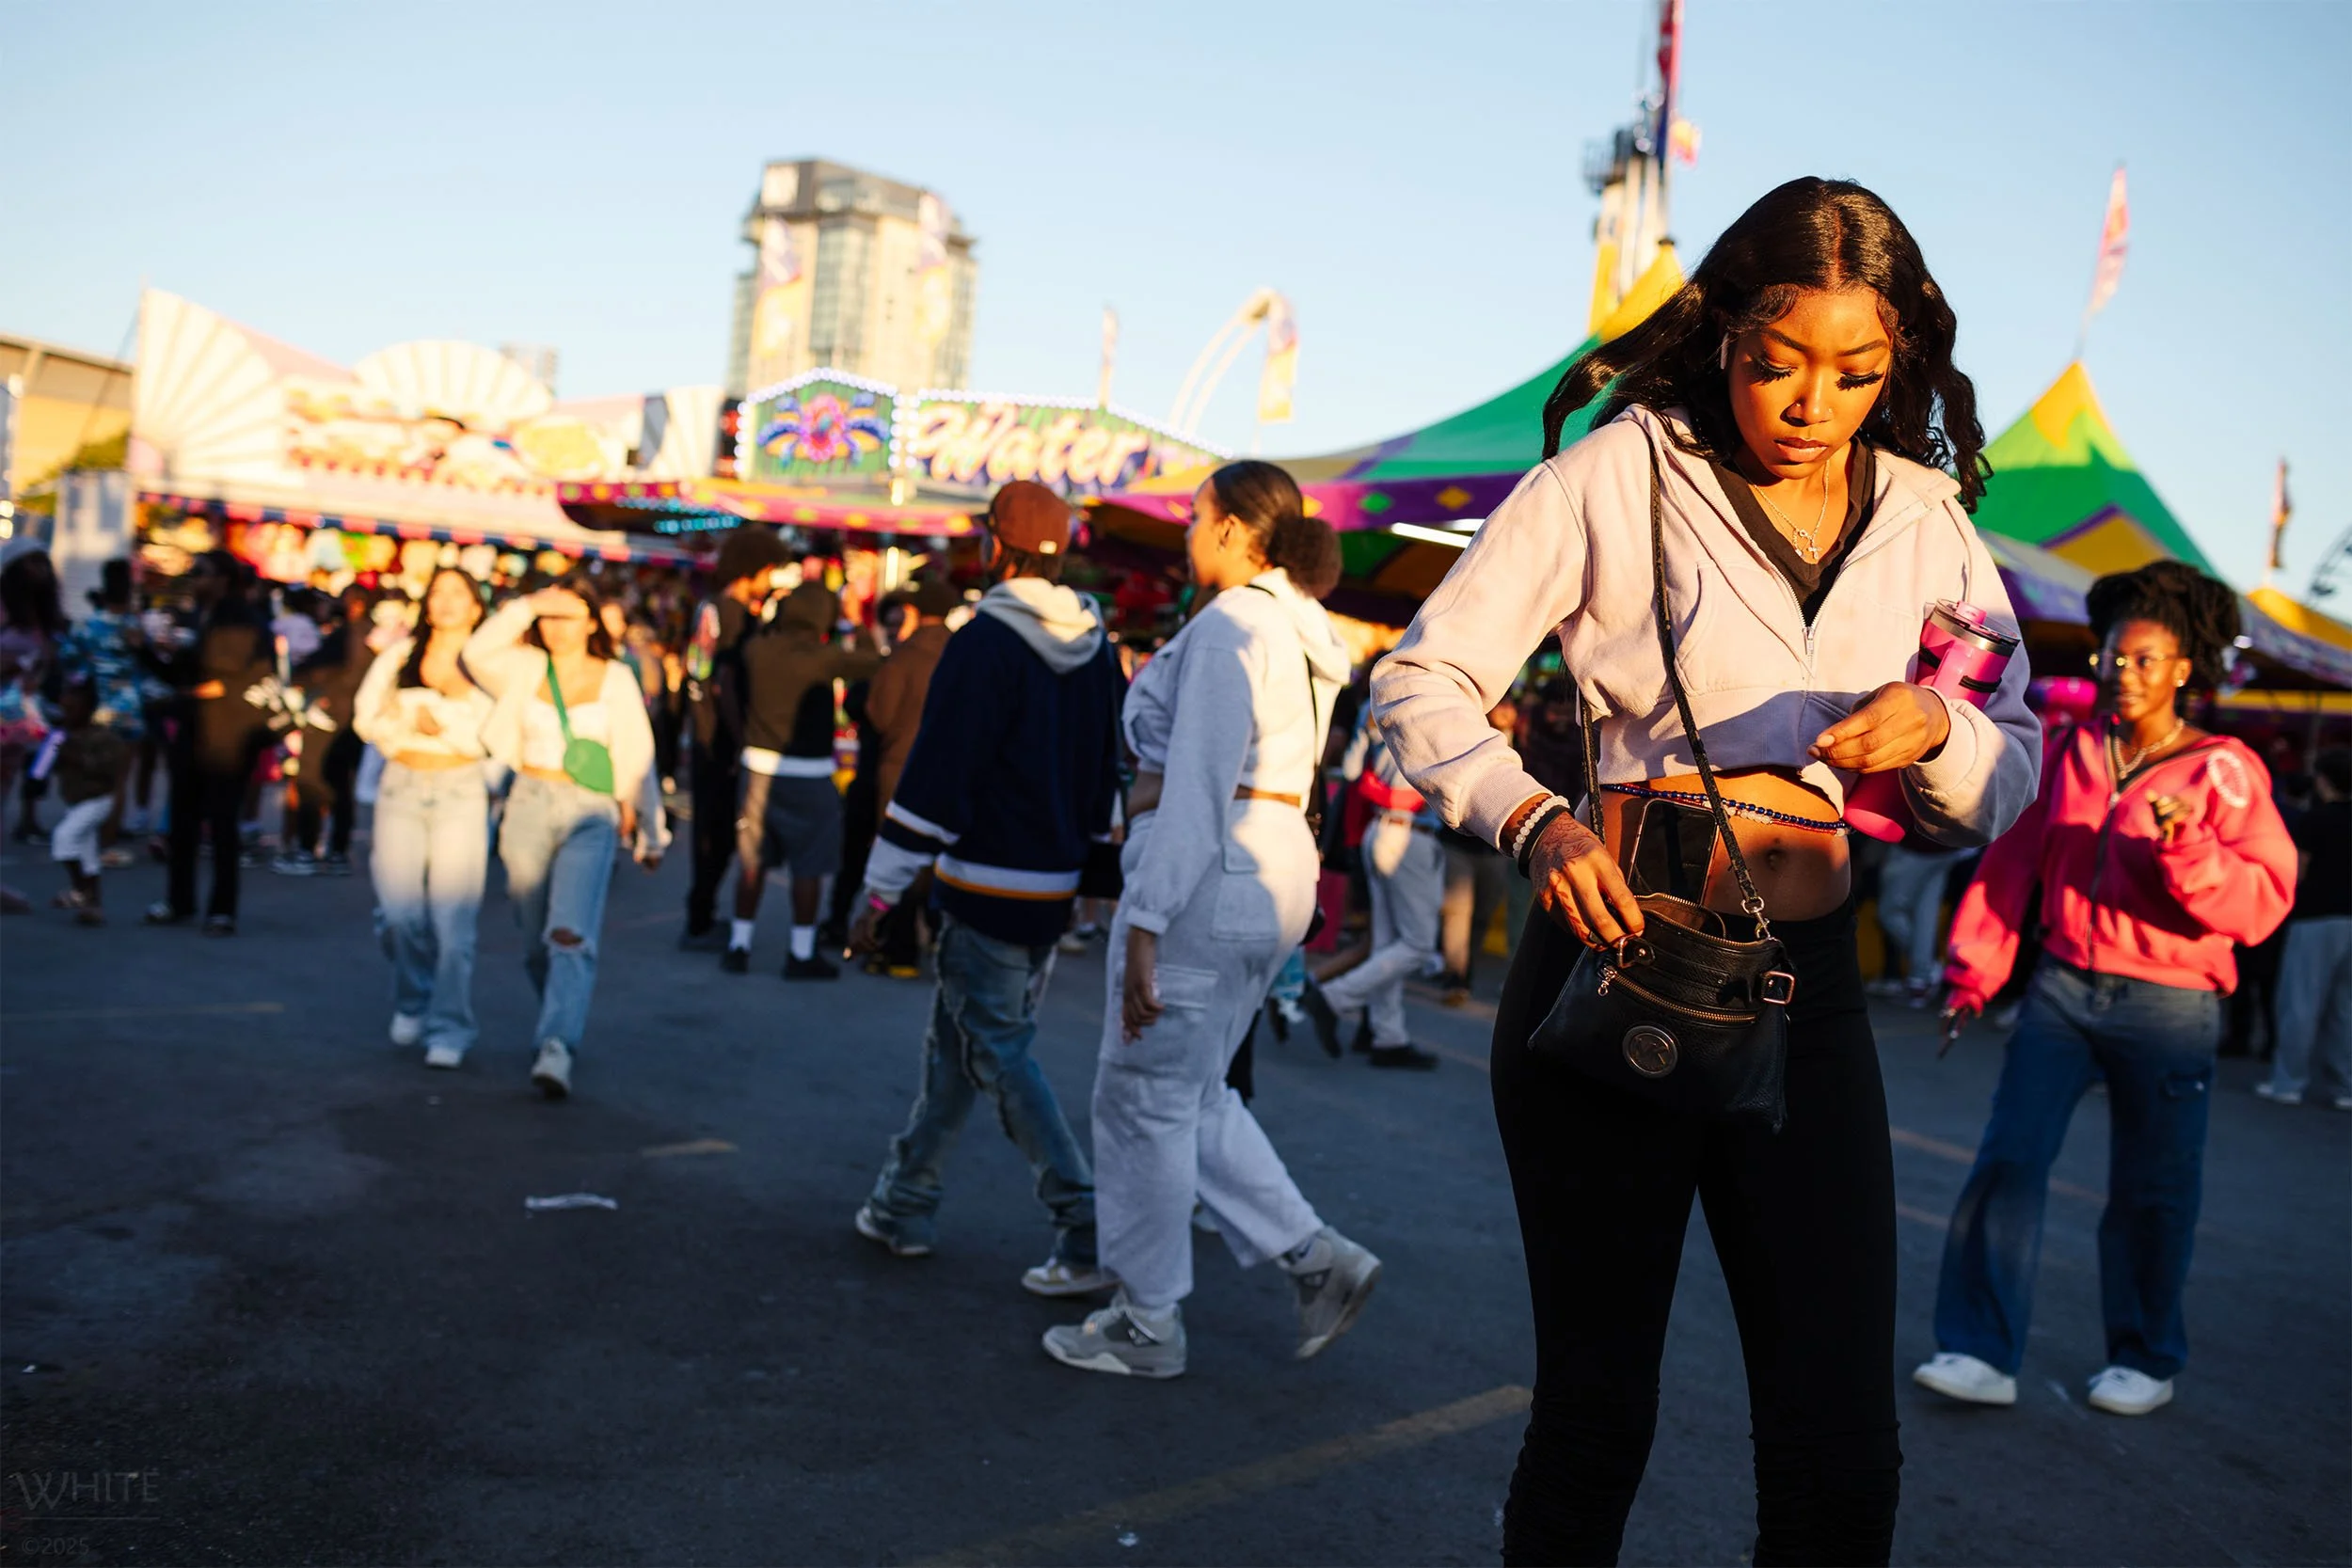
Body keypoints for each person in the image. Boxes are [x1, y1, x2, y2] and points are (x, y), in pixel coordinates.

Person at [1372, 179, 2042, 1564]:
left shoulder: (1929, 519)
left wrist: (1943, 729)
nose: (1812, 399)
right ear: (1724, 327)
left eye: (1856, 372)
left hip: (1814, 988)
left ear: (1896, 361)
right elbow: (1423, 674)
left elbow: (2012, 758)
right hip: (1619, 955)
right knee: (1597, 1414)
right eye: (1777, 360)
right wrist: (1529, 817)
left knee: (1842, 1447)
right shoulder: (1619, 471)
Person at [1918, 562, 2295, 1420]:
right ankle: (1980, 1348)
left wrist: (2185, 852)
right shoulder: (2069, 749)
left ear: (2185, 669)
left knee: (2152, 1190)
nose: (2123, 674)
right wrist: (1974, 972)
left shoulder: (2224, 769)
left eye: (2146, 661)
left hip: (2171, 1006)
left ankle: (2144, 1355)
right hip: (2060, 988)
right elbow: (2012, 862)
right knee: (2008, 1161)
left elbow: (2261, 901)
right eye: (2114, 658)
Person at [1043, 460, 1381, 1380]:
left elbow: (1194, 775)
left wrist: (1145, 914)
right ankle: (1315, 1260)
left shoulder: (1236, 622)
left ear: (1235, 529)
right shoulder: (1292, 626)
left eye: (1197, 518)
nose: (1187, 534)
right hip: (1263, 870)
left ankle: (1147, 1319)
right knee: (1188, 1093)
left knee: (1144, 1096)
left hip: (1209, 867)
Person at [849, 481, 1122, 1283]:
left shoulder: (983, 640)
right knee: (960, 1046)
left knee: (996, 1050)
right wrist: (1092, 877)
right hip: (1053, 882)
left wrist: (877, 890)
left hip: (983, 883)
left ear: (994, 547)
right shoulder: (1099, 646)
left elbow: (939, 775)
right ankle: (904, 1200)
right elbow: (1108, 771)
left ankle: (1086, 1221)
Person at [465, 576, 667, 1100]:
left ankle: (557, 1043)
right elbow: (477, 650)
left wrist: (651, 831)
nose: (555, 627)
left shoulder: (616, 678)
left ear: (592, 620)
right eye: (548, 616)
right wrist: (526, 604)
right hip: (528, 802)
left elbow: (638, 755)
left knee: (569, 934)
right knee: (534, 940)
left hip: (590, 812)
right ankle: (558, 1014)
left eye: (568, 614)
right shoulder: (524, 667)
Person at [354, 567, 495, 1069]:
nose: (447, 602)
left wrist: (447, 732)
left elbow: (497, 735)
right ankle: (413, 997)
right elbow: (366, 715)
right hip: (402, 788)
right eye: (439, 592)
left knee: (455, 923)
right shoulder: (400, 655)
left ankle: (450, 1025)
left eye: (459, 593)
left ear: (477, 607)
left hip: (461, 789)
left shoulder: (490, 665)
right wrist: (402, 726)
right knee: (399, 914)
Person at [726, 581, 883, 976]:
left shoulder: (757, 650)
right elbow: (873, 659)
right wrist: (853, 618)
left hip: (758, 767)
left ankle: (739, 944)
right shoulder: (825, 658)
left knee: (751, 862)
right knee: (808, 867)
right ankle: (800, 953)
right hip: (811, 774)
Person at [143, 552, 275, 936]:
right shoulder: (200, 617)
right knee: (183, 821)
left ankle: (222, 910)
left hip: (228, 737)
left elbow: (233, 684)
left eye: (201, 573)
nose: (194, 579)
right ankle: (179, 900)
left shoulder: (241, 620)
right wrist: (145, 650)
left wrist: (179, 697)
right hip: (194, 731)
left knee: (221, 824)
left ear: (223, 579)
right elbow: (181, 676)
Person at [1299, 729, 1446, 1069]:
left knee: (1388, 943)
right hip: (1406, 836)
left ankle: (1387, 1036)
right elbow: (1400, 796)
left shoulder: (1389, 707)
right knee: (1418, 944)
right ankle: (1334, 997)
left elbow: (1359, 776)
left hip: (1385, 831)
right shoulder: (1429, 714)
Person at [680, 530, 792, 948]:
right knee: (714, 833)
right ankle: (700, 918)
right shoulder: (727, 612)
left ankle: (702, 915)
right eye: (769, 569)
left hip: (714, 739)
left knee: (719, 832)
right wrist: (739, 737)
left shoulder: (718, 607)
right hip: (719, 743)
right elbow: (717, 681)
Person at [860, 576, 961, 976]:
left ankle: (898, 950)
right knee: (937, 859)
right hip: (952, 770)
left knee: (898, 854)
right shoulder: (965, 650)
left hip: (901, 767)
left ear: (917, 611)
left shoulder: (906, 654)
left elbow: (879, 713)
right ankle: (937, 937)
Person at [2259, 747, 2352, 1107]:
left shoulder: (2315, 821)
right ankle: (2344, 1086)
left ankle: (2289, 1082)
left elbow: (2296, 873)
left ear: (2323, 779)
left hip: (2315, 917)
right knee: (2344, 1008)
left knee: (2300, 1002)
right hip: (2347, 918)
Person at [280, 585, 376, 876]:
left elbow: (324, 671)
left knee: (311, 780)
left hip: (328, 718)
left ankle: (308, 850)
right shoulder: (371, 636)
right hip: (352, 722)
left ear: (357, 604)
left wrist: (304, 678)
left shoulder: (350, 635)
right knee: (341, 785)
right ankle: (337, 850)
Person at [0, 550, 68, 912]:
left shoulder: (42, 617)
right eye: (30, 563)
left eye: (43, 563)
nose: (38, 571)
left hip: (16, 723)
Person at [44, 680, 129, 925]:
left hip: (97, 800)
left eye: (73, 709)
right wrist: (49, 753)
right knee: (87, 854)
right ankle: (94, 906)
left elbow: (108, 770)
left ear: (88, 709)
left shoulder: (104, 737)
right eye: (64, 709)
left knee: (64, 839)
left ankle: (80, 891)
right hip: (75, 800)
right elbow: (41, 770)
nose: (67, 714)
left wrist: (73, 756)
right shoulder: (62, 735)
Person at [1872, 837, 1970, 1006]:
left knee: (1889, 912)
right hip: (1948, 845)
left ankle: (1925, 969)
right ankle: (1920, 981)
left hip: (1916, 843)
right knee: (1925, 914)